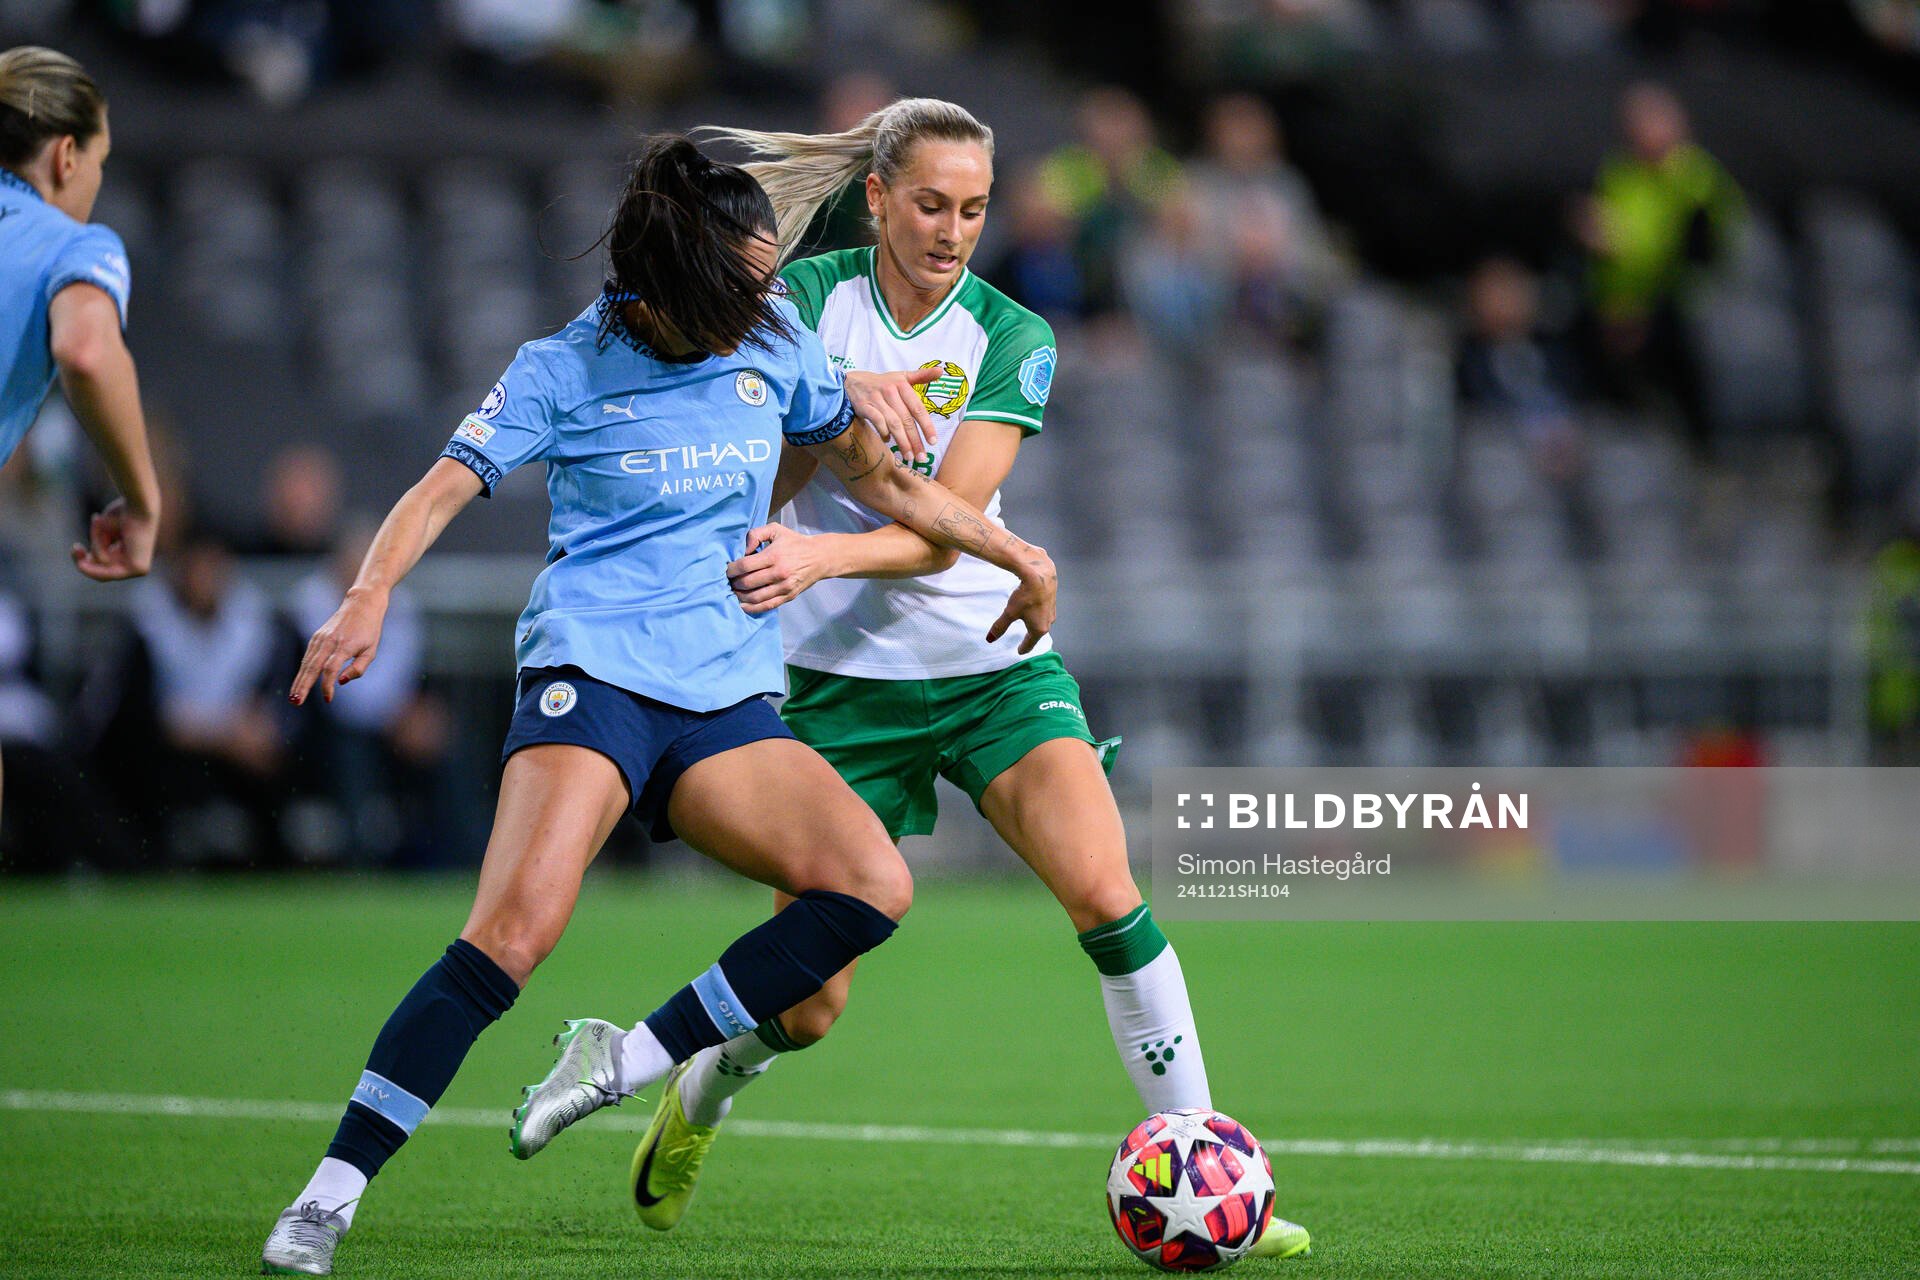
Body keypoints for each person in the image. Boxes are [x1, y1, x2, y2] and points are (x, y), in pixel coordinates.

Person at [258, 135, 1058, 1277]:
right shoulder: (561, 367)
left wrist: (1015, 550)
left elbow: (888, 482)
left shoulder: (771, 343)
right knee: (511, 936)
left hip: (726, 692)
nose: (769, 303)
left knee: (873, 885)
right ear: (679, 282)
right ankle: (327, 1196)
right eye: (747, 284)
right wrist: (367, 594)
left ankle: (627, 1057)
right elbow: (437, 491)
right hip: (595, 676)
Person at [633, 98, 1310, 1260]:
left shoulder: (1011, 332)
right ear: (878, 198)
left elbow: (946, 528)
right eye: (932, 205)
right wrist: (834, 395)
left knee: (1109, 895)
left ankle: (1208, 1170)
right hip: (839, 682)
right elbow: (746, 473)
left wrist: (827, 549)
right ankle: (706, 1083)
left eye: (975, 209)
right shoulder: (802, 300)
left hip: (993, 665)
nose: (953, 231)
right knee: (812, 1003)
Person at [1, 45, 163, 822]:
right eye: (100, 160)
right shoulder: (73, 245)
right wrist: (142, 499)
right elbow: (86, 350)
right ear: (67, 156)